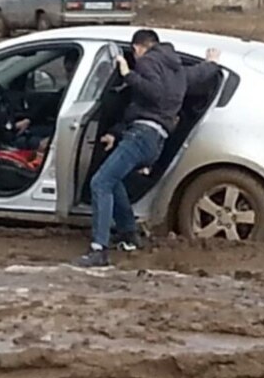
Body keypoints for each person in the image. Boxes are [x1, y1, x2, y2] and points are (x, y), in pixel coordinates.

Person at [75, 30, 221, 268]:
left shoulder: (148, 62)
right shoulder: (175, 69)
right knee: (114, 179)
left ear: (138, 47)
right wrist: (212, 63)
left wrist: (127, 74)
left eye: (135, 52)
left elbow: (155, 94)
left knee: (100, 182)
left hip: (141, 135)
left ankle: (98, 250)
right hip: (154, 140)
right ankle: (129, 234)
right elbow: (199, 75)